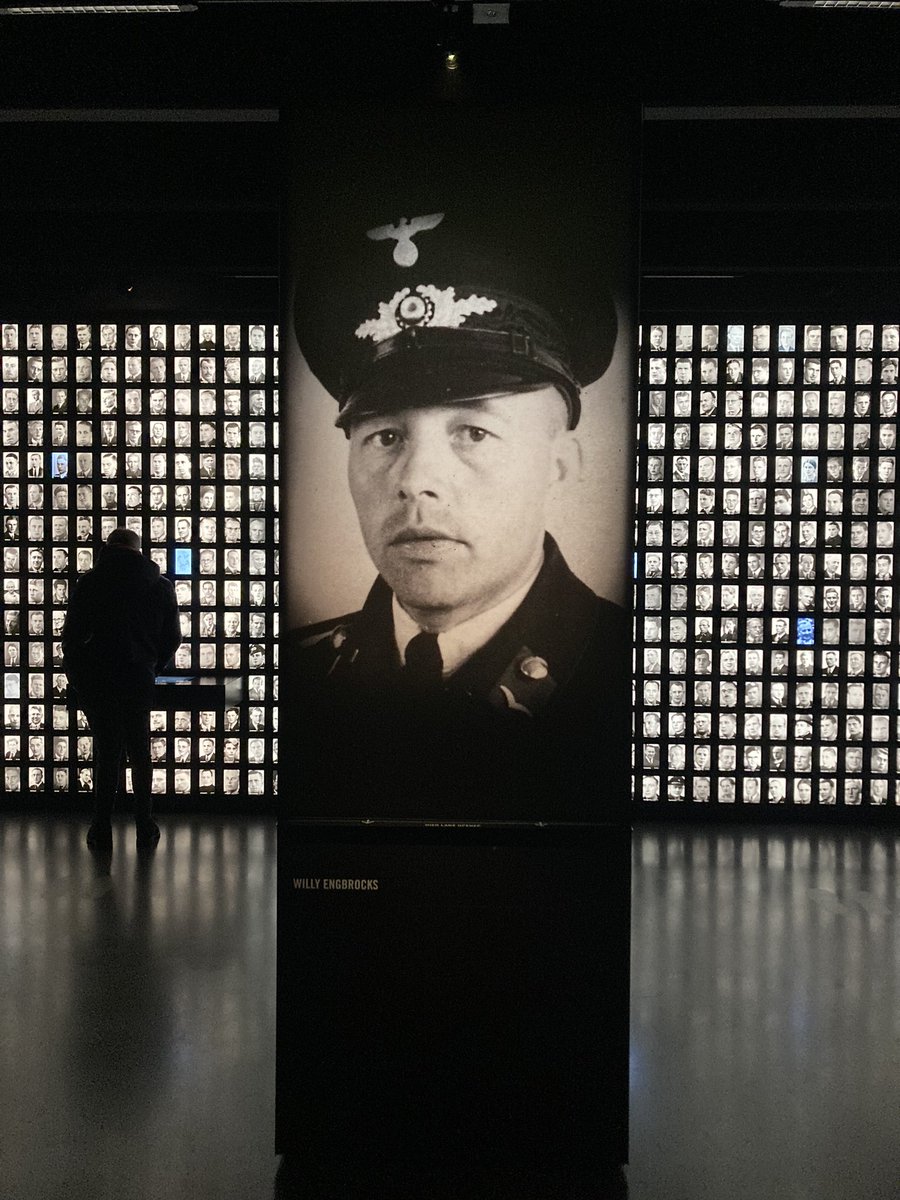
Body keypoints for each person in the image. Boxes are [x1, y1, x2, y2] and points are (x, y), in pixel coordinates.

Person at [286, 187, 630, 822]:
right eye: (385, 437)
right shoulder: (297, 674)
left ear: (559, 466)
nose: (416, 481)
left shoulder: (627, 671)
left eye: (473, 432)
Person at [62, 528, 181, 851]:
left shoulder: (90, 583)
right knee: (140, 753)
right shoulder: (160, 586)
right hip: (138, 678)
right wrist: (151, 666)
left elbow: (72, 638)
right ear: (138, 550)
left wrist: (80, 674)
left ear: (108, 547)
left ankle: (101, 827)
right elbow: (173, 637)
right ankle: (145, 825)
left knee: (107, 753)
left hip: (99, 680)